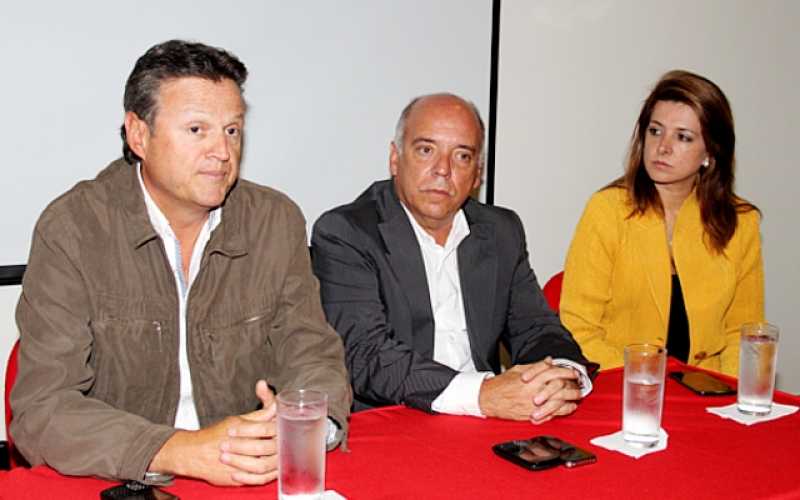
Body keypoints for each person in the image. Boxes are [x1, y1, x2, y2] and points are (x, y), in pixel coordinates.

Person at [10, 40, 351, 486]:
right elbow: (43, 408)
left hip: (250, 471)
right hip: (121, 479)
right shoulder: (73, 229)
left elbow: (313, 352)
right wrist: (180, 450)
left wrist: (303, 426)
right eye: (196, 130)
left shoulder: (274, 221)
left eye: (232, 130)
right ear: (139, 135)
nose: (222, 151)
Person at [311, 93, 595, 423]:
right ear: (395, 158)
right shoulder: (346, 232)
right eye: (426, 150)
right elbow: (366, 354)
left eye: (462, 156)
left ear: (477, 174)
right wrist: (481, 395)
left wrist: (561, 375)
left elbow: (536, 327)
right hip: (396, 421)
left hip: (490, 420)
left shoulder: (501, 231)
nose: (443, 170)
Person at [560, 70, 764, 376]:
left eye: (683, 137)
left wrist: (724, 389)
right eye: (655, 131)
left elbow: (743, 334)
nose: (663, 147)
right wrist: (647, 379)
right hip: (622, 385)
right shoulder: (608, 210)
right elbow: (578, 328)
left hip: (707, 390)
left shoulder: (739, 221)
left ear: (710, 152)